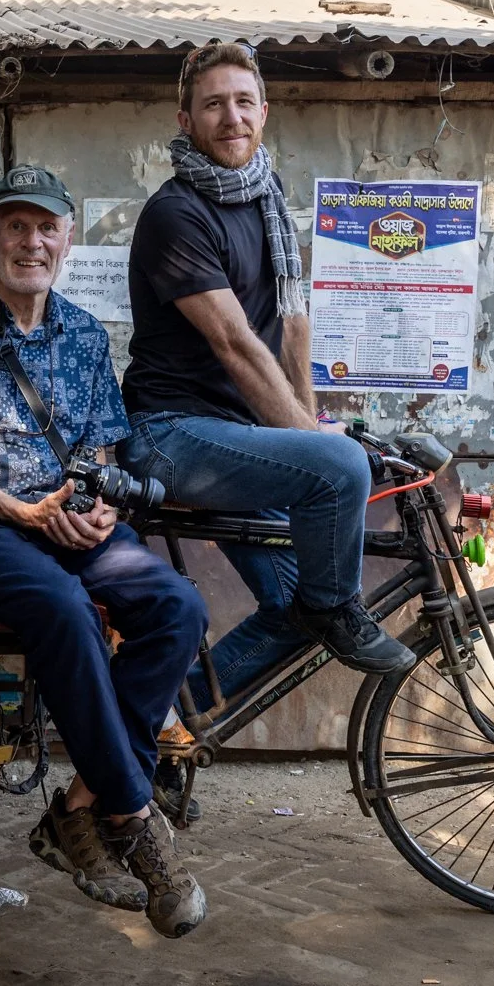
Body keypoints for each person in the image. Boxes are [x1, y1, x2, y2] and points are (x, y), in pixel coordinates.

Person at [0, 165, 210, 940]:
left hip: (68, 519)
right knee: (65, 608)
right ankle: (134, 818)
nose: (30, 242)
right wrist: (23, 514)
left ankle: (78, 807)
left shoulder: (82, 331)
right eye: (14, 225)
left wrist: (101, 508)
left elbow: (104, 449)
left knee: (178, 605)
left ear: (66, 238)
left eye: (46, 227)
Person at [116, 43, 415, 735]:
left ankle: (148, 727)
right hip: (166, 435)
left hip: (233, 438)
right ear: (185, 118)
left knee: (291, 610)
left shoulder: (267, 201)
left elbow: (292, 329)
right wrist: (313, 447)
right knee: (334, 476)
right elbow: (235, 345)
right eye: (214, 104)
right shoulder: (176, 213)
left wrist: (307, 423)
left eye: (243, 102)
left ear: (264, 113)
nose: (231, 118)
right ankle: (339, 607)